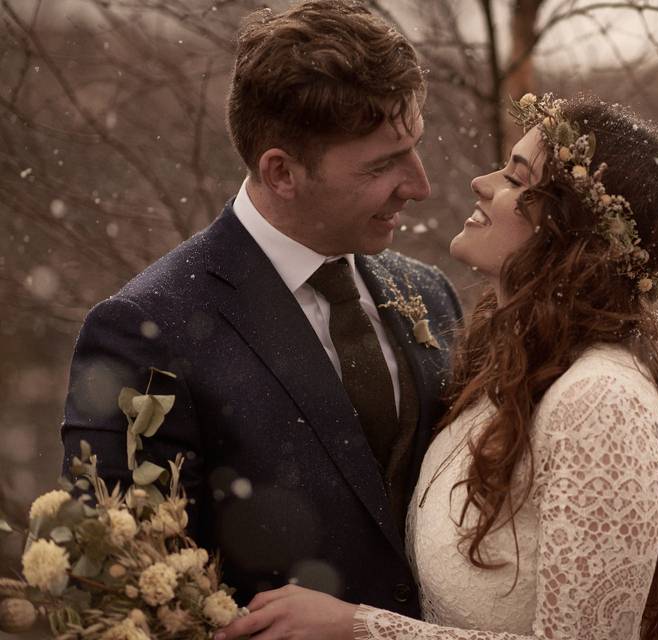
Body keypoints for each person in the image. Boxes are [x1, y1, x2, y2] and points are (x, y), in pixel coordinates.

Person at [217, 94, 658, 640]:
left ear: (572, 229)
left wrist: (355, 628)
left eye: (517, 179)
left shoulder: (602, 399)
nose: (482, 181)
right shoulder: (512, 372)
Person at [60, 0, 462, 615]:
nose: (419, 184)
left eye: (414, 148)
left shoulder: (431, 296)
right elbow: (126, 591)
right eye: (383, 164)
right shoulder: (146, 330)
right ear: (281, 172)